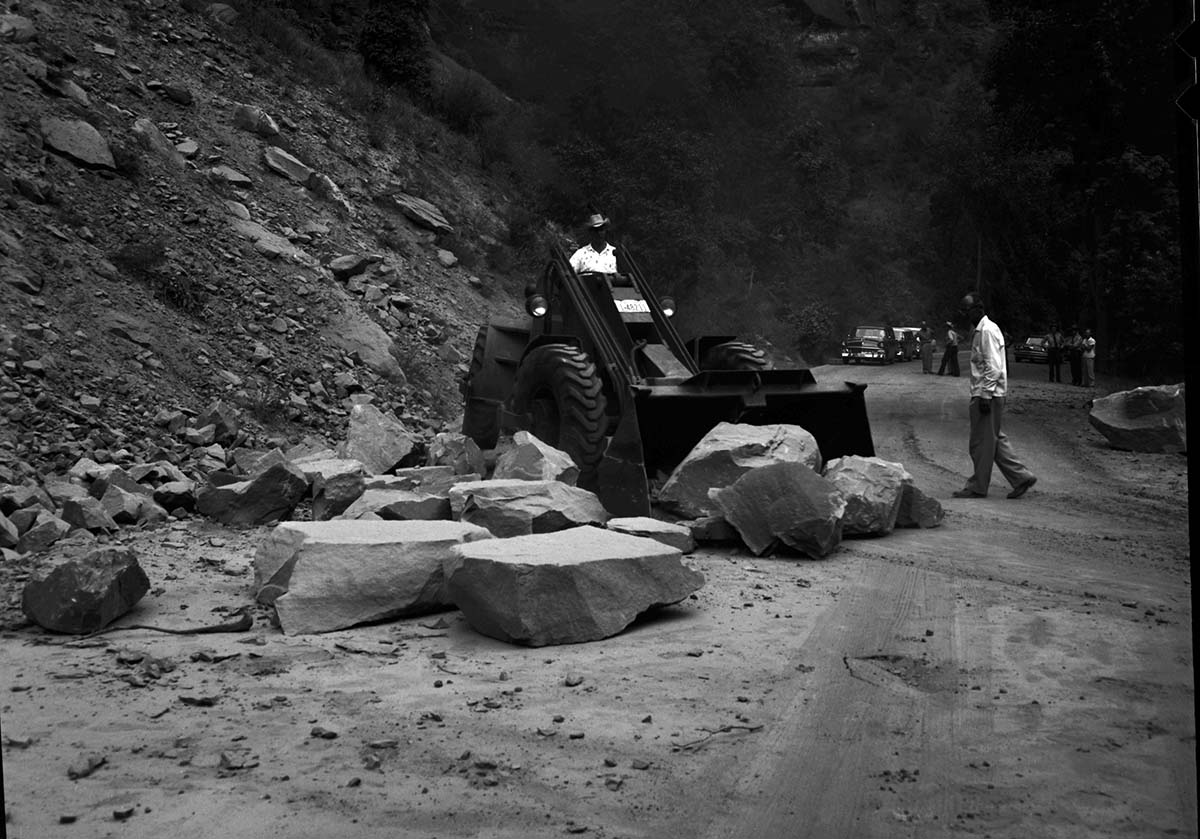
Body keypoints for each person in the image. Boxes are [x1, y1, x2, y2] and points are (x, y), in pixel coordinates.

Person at [952, 292, 1038, 500]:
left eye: (966, 311)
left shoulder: (987, 332)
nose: (964, 315)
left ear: (977, 309)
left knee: (980, 443)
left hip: (988, 395)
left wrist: (985, 395)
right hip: (990, 394)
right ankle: (1021, 477)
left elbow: (994, 367)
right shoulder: (984, 330)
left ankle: (977, 487)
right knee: (993, 439)